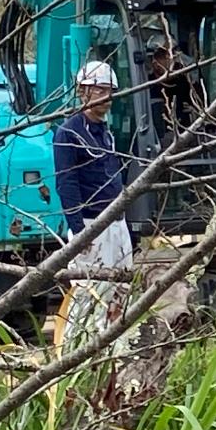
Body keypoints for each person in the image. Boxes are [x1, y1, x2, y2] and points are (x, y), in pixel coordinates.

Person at [52, 59, 133, 347]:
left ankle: (116, 351)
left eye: (109, 90)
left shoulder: (107, 133)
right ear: (83, 91)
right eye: (99, 90)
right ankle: (79, 353)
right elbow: (66, 184)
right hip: (89, 224)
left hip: (116, 222)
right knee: (89, 293)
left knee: (121, 290)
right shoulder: (68, 134)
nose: (106, 97)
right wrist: (78, 230)